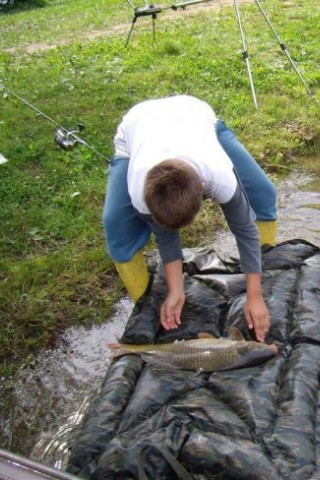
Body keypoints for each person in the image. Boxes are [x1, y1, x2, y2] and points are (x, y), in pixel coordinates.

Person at [103, 95, 277, 342]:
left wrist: (255, 295)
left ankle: (267, 270)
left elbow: (245, 230)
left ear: (204, 188)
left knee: (263, 191)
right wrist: (176, 290)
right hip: (137, 127)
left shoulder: (219, 177)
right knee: (116, 225)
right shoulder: (139, 190)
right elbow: (165, 234)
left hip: (194, 115)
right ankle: (143, 306)